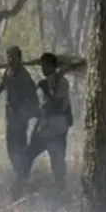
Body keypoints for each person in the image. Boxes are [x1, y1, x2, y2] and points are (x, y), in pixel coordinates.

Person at [0, 45, 40, 198]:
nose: (10, 60)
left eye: (13, 57)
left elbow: (33, 99)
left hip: (20, 119)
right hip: (10, 118)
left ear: (19, 58)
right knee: (11, 150)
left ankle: (21, 181)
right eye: (8, 56)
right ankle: (21, 177)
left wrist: (27, 114)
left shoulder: (24, 76)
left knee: (20, 149)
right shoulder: (8, 73)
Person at [24, 52, 74, 194]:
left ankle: (60, 193)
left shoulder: (61, 82)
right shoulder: (49, 81)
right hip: (44, 127)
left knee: (57, 164)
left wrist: (46, 89)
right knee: (27, 156)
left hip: (56, 129)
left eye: (45, 66)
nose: (43, 69)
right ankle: (21, 184)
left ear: (52, 66)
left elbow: (58, 106)